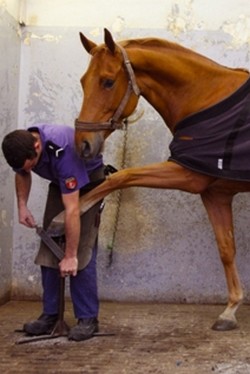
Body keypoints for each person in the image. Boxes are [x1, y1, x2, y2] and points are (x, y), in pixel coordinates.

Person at [1, 123, 105, 341]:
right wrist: (22, 206)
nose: (28, 170)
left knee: (80, 254)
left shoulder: (63, 149)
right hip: (60, 185)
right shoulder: (21, 145)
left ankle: (87, 319)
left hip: (89, 185)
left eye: (31, 165)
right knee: (49, 246)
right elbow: (21, 172)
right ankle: (50, 315)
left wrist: (69, 256)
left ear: (37, 146)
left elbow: (72, 209)